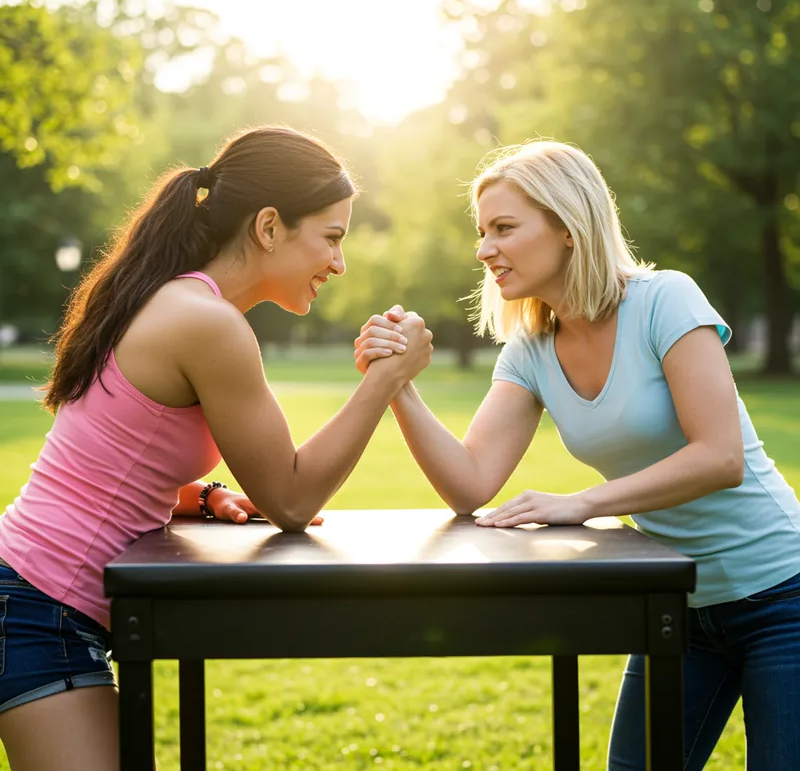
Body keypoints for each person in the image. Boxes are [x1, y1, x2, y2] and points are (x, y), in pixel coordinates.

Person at [354, 140, 800, 770]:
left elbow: (720, 456)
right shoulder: (531, 348)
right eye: (482, 232)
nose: (484, 250)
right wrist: (395, 382)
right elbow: (470, 483)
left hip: (782, 597)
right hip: (677, 609)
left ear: (567, 227)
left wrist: (583, 503)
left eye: (504, 228)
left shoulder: (664, 300)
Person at [0, 125, 433, 770]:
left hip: (35, 598)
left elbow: (114, 453)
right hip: (38, 612)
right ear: (267, 227)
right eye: (332, 237)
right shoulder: (207, 323)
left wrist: (201, 496)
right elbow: (290, 499)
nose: (340, 264)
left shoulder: (170, 297)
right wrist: (387, 379)